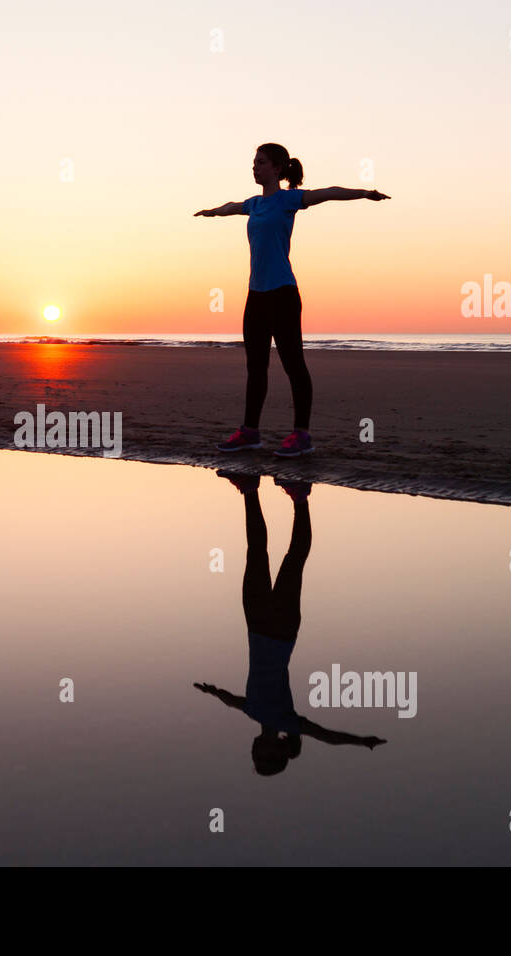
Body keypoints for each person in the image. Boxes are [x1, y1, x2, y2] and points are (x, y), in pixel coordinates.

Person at [194, 143, 390, 457]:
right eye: (253, 162)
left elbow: (328, 192)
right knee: (255, 367)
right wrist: (212, 212)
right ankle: (250, 432)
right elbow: (231, 206)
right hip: (255, 296)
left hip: (283, 294)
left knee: (293, 365)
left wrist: (364, 193)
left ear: (277, 168)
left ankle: (301, 436)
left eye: (260, 162)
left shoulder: (288, 200)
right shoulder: (254, 204)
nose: (254, 167)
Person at [196, 472, 386, 775]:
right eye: (261, 758)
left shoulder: (252, 712)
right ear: (276, 753)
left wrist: (213, 692)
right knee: (293, 559)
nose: (253, 753)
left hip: (256, 625)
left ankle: (249, 488)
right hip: (281, 632)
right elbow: (326, 736)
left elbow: (232, 701)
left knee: (255, 553)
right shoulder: (287, 721)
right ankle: (300, 498)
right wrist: (360, 742)